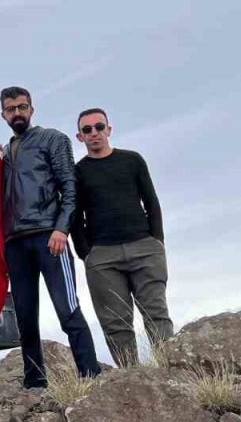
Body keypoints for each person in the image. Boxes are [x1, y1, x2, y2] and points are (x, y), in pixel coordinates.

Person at [0, 86, 101, 389]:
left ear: (32, 109)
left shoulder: (53, 139)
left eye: (22, 107)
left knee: (68, 310)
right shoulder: (3, 153)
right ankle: (34, 381)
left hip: (49, 238)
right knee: (24, 317)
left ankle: (91, 378)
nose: (17, 113)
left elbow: (70, 186)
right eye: (11, 109)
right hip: (15, 243)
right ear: (3, 114)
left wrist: (61, 228)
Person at [71, 108, 173, 367]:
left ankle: (171, 374)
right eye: (87, 130)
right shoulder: (77, 173)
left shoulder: (132, 160)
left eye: (99, 127)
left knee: (156, 314)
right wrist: (86, 253)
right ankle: (131, 381)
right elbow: (74, 215)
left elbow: (151, 201)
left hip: (144, 249)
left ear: (109, 129)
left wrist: (156, 241)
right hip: (103, 258)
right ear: (80, 137)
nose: (94, 133)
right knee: (116, 323)